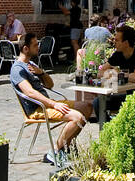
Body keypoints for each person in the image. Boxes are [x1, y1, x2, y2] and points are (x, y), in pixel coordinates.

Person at [10, 32, 90, 165]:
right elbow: (30, 93)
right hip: (37, 109)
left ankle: (66, 146)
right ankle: (55, 151)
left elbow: (49, 85)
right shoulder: (17, 69)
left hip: (47, 104)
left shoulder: (31, 64)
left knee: (86, 107)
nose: (39, 47)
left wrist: (41, 72)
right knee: (77, 118)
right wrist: (54, 104)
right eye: (35, 45)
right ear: (25, 48)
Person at [102, 25, 135, 109]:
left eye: (117, 40)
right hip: (129, 96)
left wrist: (116, 73)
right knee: (99, 102)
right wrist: (116, 73)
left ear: (126, 43)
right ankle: (109, 122)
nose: (114, 42)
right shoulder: (118, 54)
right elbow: (101, 72)